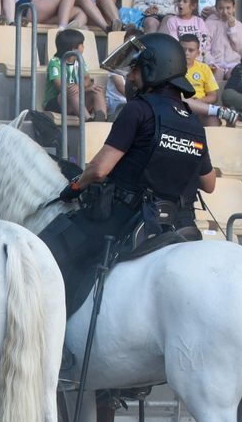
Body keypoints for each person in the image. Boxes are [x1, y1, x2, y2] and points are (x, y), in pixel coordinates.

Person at [49, 32, 214, 317]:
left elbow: (99, 170)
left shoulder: (138, 110)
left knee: (51, 250)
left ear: (153, 70)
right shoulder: (194, 123)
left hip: (126, 220)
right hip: (178, 223)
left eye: (134, 70)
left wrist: (75, 187)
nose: (131, 78)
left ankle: (56, 336)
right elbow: (209, 184)